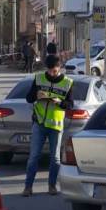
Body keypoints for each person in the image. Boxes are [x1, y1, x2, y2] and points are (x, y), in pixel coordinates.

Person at [23, 54, 74, 197]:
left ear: (60, 68)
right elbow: (28, 98)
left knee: (55, 158)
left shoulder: (67, 82)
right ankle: (28, 187)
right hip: (39, 123)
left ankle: (52, 185)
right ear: (47, 68)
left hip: (56, 125)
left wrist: (60, 102)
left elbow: (70, 105)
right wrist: (36, 95)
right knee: (34, 156)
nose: (52, 73)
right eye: (50, 70)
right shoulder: (39, 78)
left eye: (55, 71)